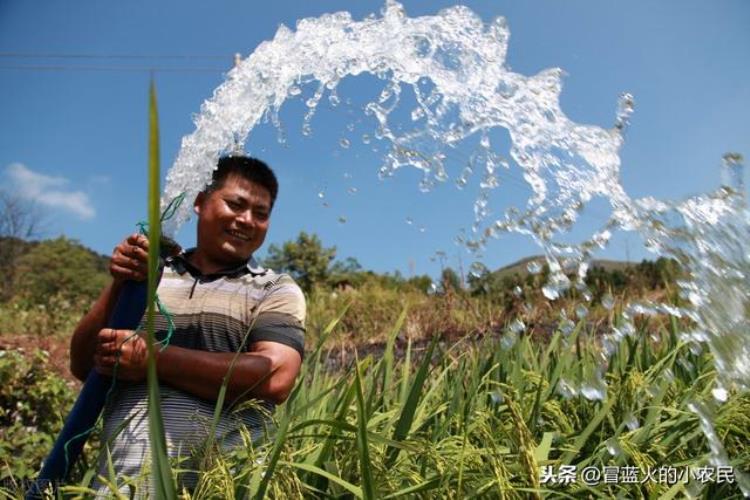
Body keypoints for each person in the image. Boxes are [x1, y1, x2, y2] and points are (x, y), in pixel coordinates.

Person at [69, 155, 305, 494]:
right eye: (235, 204)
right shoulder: (150, 277)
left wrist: (154, 361)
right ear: (199, 202)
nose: (247, 220)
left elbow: (276, 377)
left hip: (223, 489)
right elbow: (82, 365)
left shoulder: (274, 288)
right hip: (124, 489)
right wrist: (122, 283)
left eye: (261, 213)